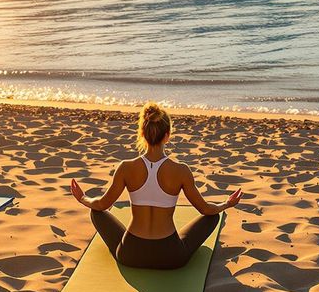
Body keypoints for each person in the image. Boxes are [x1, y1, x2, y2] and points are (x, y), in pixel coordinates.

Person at [69, 102, 242, 270]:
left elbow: (101, 205)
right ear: (167, 135)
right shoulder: (181, 170)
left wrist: (82, 198)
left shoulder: (126, 168)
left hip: (130, 254)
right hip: (171, 257)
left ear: (142, 134)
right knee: (213, 217)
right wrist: (226, 204)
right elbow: (205, 209)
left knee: (96, 212)